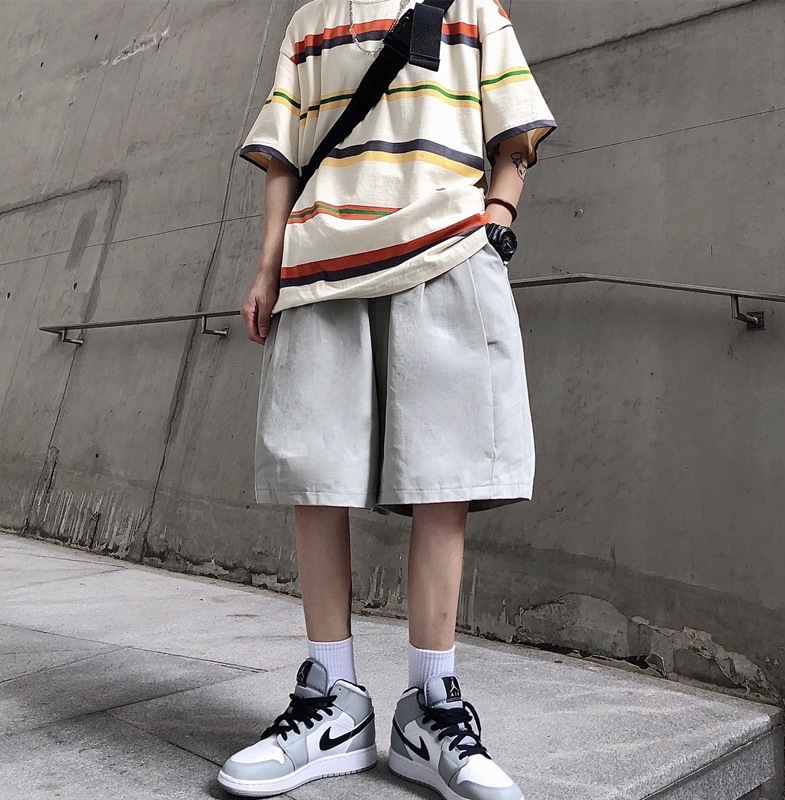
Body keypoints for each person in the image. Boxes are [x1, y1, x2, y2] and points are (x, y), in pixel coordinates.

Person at [219, 0, 556, 797]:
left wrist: (496, 219)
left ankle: (430, 708)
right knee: (315, 475)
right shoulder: (309, 21)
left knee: (443, 478)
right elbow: (284, 155)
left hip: (445, 251)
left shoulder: (469, 6)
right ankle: (332, 701)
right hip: (320, 262)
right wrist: (267, 267)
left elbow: (515, 130)